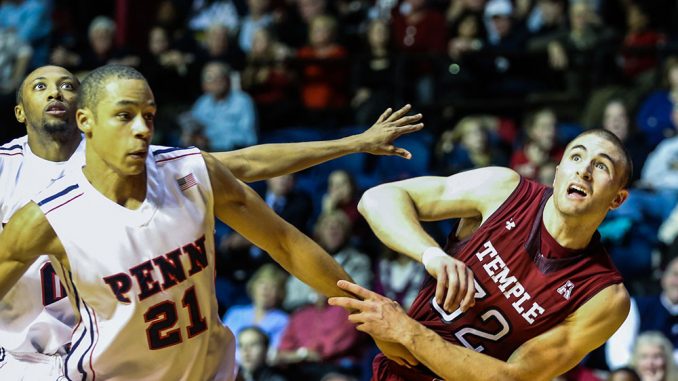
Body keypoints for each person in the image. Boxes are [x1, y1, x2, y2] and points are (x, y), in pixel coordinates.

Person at [0, 64, 423, 379]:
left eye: (149, 115)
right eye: (125, 116)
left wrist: (371, 315)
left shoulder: (188, 171)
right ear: (85, 122)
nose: (143, 129)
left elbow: (284, 238)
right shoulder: (44, 215)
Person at [330, 128, 633, 380]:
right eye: (576, 156)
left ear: (617, 199)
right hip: (399, 372)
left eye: (601, 165)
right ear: (557, 172)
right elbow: (376, 199)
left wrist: (409, 332)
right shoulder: (502, 190)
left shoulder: (605, 297)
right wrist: (431, 254)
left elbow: (511, 378)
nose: (584, 170)